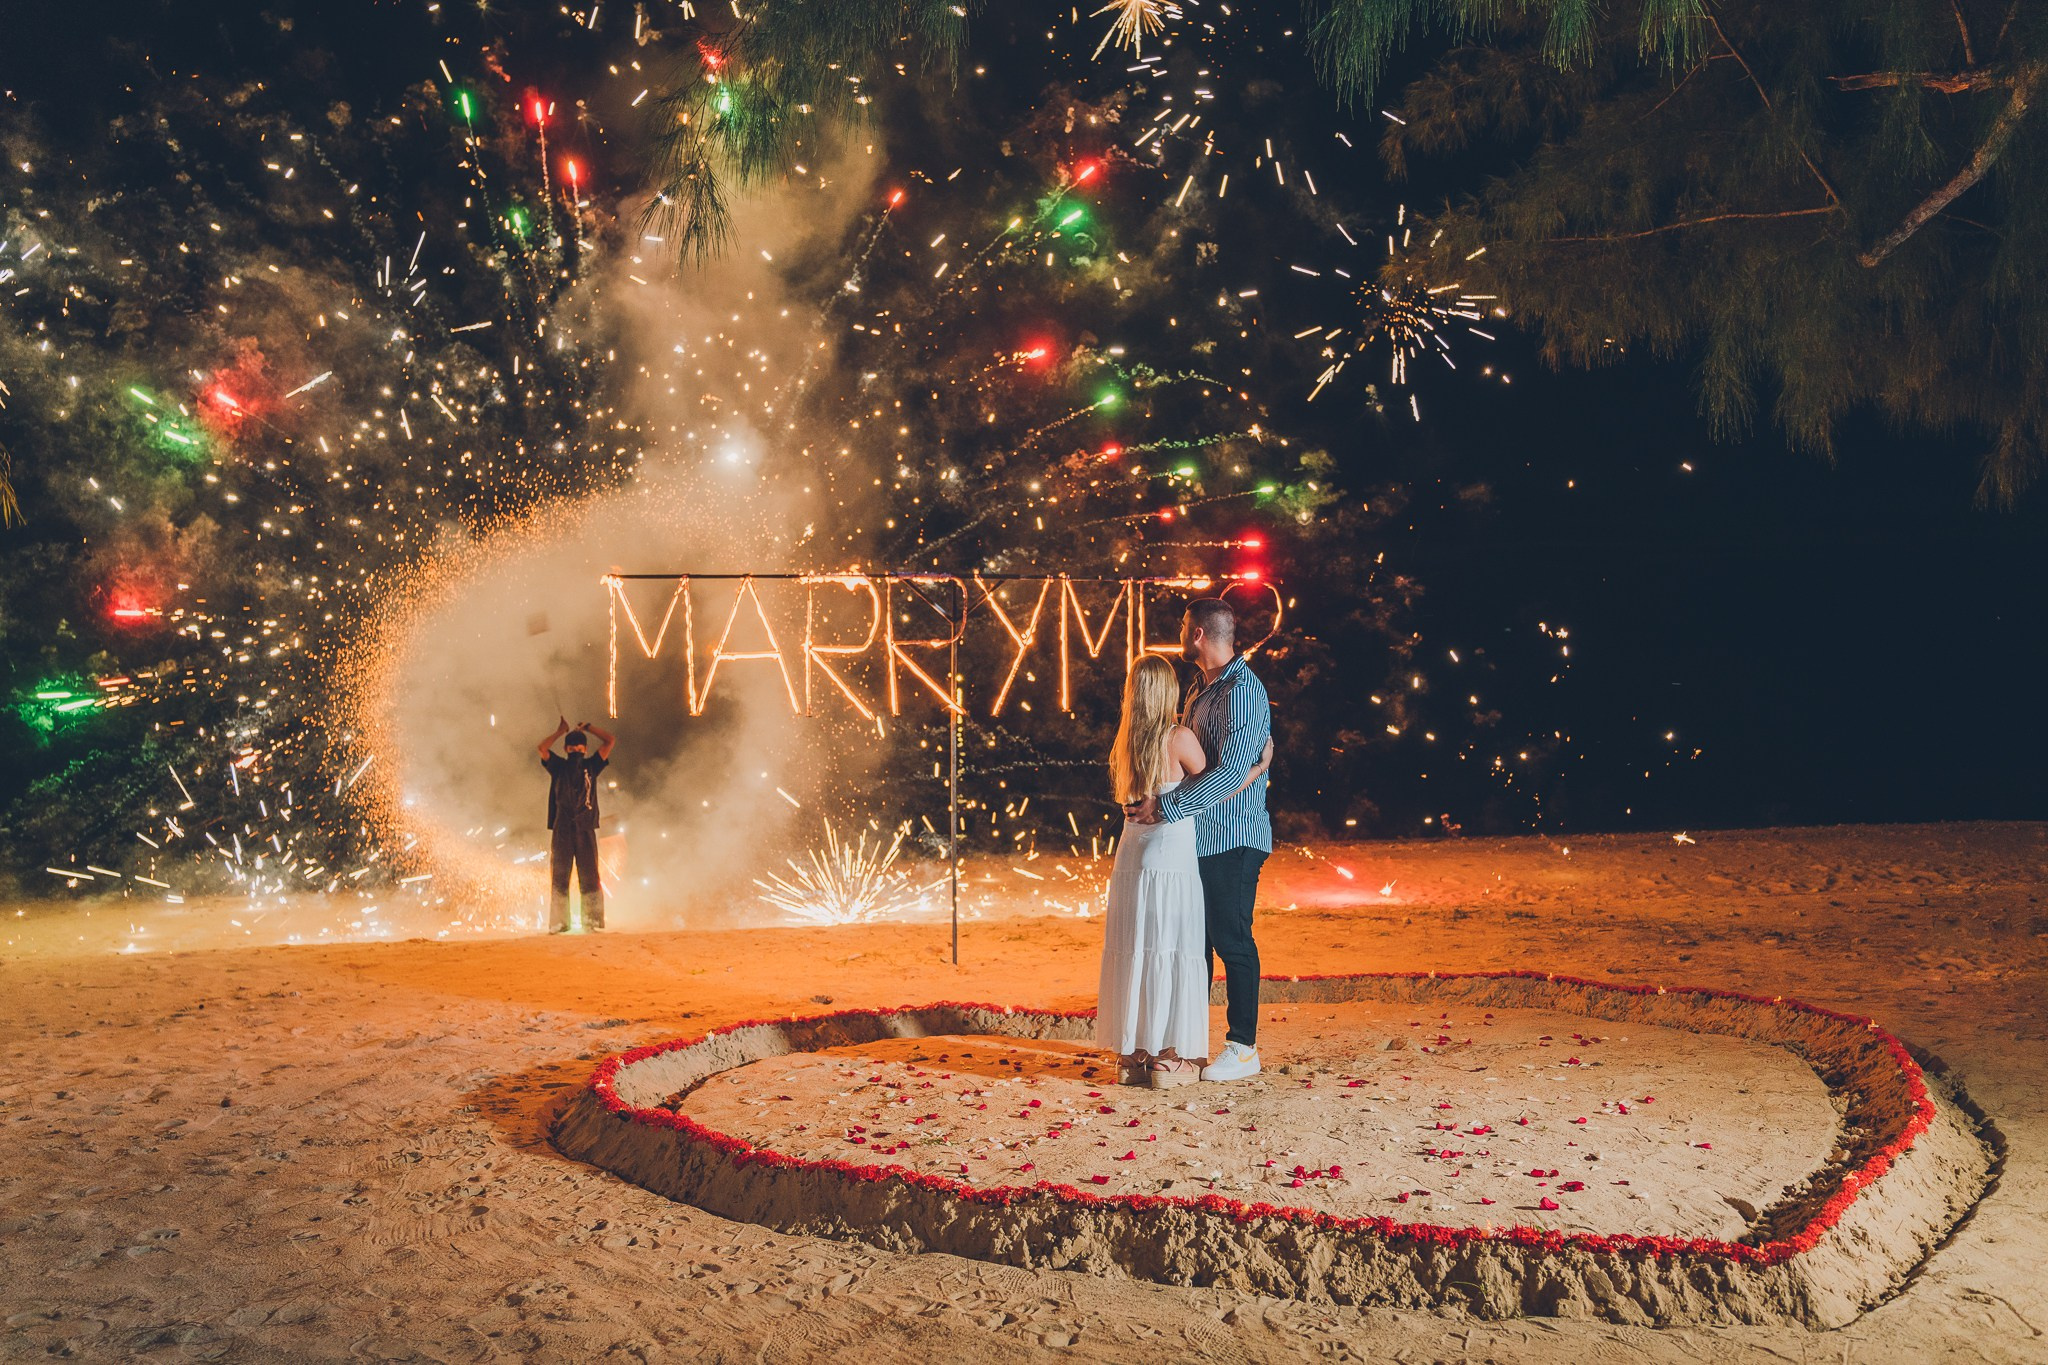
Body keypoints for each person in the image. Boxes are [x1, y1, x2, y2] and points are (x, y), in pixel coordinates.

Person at [1097, 654, 1272, 1088]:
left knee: (1138, 947)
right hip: (1171, 856)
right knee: (1175, 948)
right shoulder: (1177, 737)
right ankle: (1170, 1054)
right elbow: (1221, 781)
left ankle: (1134, 1054)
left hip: (1132, 854)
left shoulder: (1125, 742)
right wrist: (1259, 767)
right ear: (1167, 692)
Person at [537, 715, 616, 933]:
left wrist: (588, 727)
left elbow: (610, 740)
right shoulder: (558, 766)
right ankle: (558, 923)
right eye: (572, 747)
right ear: (565, 749)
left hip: (585, 827)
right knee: (560, 877)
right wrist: (559, 731)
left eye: (580, 746)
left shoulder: (592, 765)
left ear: (585, 747)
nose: (576, 749)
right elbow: (542, 748)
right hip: (562, 828)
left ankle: (592, 921)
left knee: (590, 876)